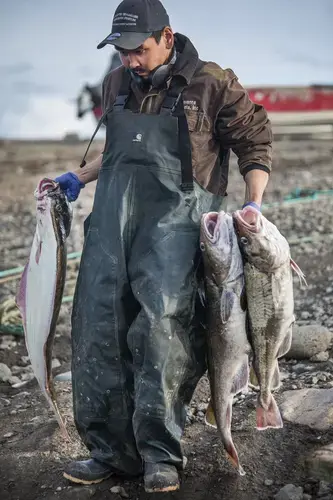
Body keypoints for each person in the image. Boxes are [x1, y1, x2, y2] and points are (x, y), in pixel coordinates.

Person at [55, 0, 272, 493]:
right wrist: (78, 177)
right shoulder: (116, 84)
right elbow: (113, 151)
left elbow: (253, 141)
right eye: (121, 51)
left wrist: (253, 204)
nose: (129, 60)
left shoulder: (211, 82)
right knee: (99, 329)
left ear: (168, 37)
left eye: (139, 49)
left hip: (175, 231)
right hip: (111, 229)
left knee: (162, 331)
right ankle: (110, 452)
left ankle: (160, 454)